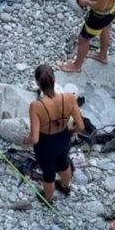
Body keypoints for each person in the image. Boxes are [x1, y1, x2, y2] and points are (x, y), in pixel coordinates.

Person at [23, 64, 85, 203]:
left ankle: (48, 199)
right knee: (64, 163)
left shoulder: (36, 106)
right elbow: (81, 126)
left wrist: (25, 141)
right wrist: (71, 132)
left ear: (37, 83)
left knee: (48, 173)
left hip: (45, 144)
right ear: (54, 79)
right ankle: (65, 186)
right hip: (63, 138)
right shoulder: (69, 98)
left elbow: (35, 138)